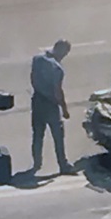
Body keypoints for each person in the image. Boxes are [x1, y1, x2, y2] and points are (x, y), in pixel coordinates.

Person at [30, 40, 76, 175]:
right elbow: (58, 91)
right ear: (61, 51)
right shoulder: (57, 68)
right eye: (66, 53)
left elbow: (32, 78)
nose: (65, 56)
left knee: (38, 134)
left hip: (37, 100)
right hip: (50, 105)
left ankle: (37, 163)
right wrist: (64, 109)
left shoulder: (37, 59)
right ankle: (63, 165)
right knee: (58, 135)